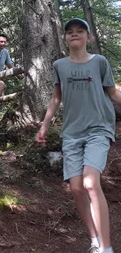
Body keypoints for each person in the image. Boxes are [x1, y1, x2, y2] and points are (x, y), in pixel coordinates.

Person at [36, 18, 121, 253]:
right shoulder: (59, 66)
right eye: (70, 32)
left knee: (91, 183)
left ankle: (106, 248)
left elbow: (112, 92)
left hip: (98, 128)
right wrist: (44, 125)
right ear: (65, 38)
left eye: (80, 31)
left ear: (88, 37)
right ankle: (94, 240)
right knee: (76, 188)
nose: (74, 34)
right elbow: (56, 98)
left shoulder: (99, 62)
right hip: (71, 133)